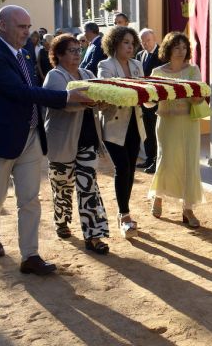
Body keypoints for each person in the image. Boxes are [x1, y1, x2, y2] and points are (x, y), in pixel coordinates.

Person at [0, 5, 93, 275]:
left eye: (28, 26)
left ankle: (30, 256)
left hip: (29, 137)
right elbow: (20, 92)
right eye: (21, 26)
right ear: (2, 25)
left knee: (30, 199)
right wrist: (67, 97)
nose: (27, 31)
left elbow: (29, 91)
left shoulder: (23, 53)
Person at [43, 34, 109, 254]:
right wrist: (90, 102)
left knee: (89, 187)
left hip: (88, 139)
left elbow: (99, 101)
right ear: (59, 54)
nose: (76, 54)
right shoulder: (54, 76)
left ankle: (94, 235)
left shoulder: (88, 74)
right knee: (62, 186)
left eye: (78, 50)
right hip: (62, 142)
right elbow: (65, 104)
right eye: (71, 51)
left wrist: (102, 102)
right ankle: (61, 220)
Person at [147, 32, 205, 228]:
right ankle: (157, 196)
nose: (181, 51)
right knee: (166, 160)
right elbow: (149, 101)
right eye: (176, 47)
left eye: (184, 47)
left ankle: (188, 209)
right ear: (168, 49)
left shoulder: (193, 70)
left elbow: (199, 97)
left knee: (189, 164)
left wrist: (197, 95)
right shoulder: (157, 72)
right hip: (166, 123)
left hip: (189, 123)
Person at [97, 25, 146, 238]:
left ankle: (123, 212)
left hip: (135, 122)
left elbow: (144, 93)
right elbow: (108, 93)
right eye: (125, 42)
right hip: (114, 123)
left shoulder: (137, 65)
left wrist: (150, 98)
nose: (130, 46)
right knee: (122, 167)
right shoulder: (105, 65)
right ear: (114, 44)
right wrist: (133, 93)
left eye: (132, 42)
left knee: (131, 169)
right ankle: (124, 215)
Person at [136, 28, 162, 173]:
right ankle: (149, 158)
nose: (145, 43)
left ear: (154, 38)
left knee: (156, 131)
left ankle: (157, 161)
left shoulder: (161, 55)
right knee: (147, 131)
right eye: (143, 41)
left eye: (148, 40)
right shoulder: (139, 55)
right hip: (143, 99)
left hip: (157, 100)